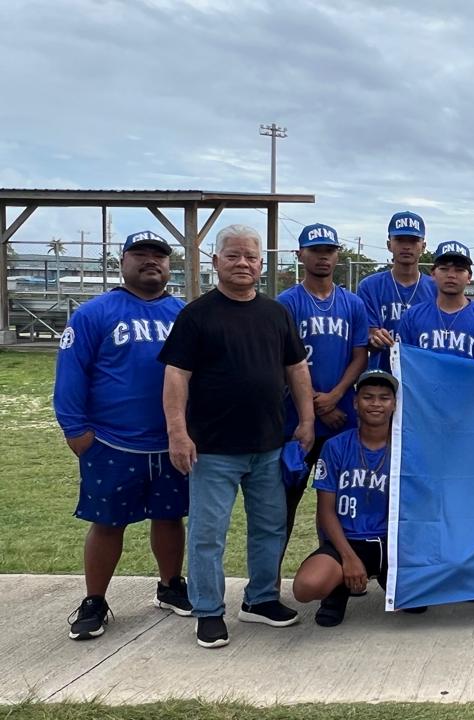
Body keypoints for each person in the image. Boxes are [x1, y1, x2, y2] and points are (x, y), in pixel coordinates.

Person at [159, 224, 314, 649]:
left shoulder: (276, 313)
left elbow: (297, 369)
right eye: (233, 256)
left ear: (262, 265)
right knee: (208, 534)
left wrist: (306, 419)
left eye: (250, 257)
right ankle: (208, 610)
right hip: (213, 448)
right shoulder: (197, 315)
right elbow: (176, 375)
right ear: (216, 262)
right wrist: (177, 432)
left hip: (268, 444)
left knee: (269, 527)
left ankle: (260, 599)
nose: (242, 263)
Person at [54, 230, 190, 640]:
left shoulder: (184, 314)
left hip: (169, 441)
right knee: (107, 522)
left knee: (170, 517)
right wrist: (76, 430)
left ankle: (170, 585)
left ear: (169, 264)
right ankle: (95, 600)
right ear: (122, 261)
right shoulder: (94, 313)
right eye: (140, 253)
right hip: (112, 440)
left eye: (159, 255)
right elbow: (71, 374)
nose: (151, 260)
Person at [276, 223, 370, 555]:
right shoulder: (286, 302)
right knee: (283, 506)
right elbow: (282, 361)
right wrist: (316, 404)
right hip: (295, 420)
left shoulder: (352, 303)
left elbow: (360, 355)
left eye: (329, 250)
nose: (323, 257)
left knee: (340, 503)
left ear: (337, 255)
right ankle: (269, 581)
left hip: (341, 417)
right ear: (300, 254)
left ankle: (336, 571)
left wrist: (335, 396)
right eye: (315, 250)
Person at [292, 370, 398, 627]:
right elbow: (325, 511)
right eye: (368, 397)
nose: (375, 403)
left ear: (394, 404)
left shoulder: (405, 447)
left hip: (392, 542)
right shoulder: (335, 446)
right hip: (348, 540)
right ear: (355, 403)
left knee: (418, 605)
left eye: (384, 398)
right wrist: (349, 558)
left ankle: (390, 579)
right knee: (306, 587)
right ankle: (337, 589)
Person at [396, 241, 474, 362]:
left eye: (459, 270)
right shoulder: (412, 316)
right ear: (433, 274)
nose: (451, 275)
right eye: (444, 269)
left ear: (469, 277)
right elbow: (404, 364)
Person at [356, 211, 436, 371]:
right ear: (389, 244)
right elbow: (367, 333)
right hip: (382, 374)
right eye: (399, 240)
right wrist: (374, 337)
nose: (406, 246)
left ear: (423, 246)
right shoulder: (369, 286)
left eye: (413, 240)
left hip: (423, 373)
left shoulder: (435, 288)